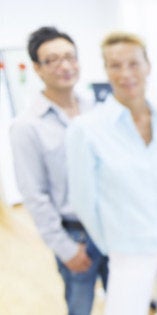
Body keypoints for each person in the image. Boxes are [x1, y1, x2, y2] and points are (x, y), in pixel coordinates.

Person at [65, 31, 157, 315]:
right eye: (115, 65)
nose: (125, 73)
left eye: (133, 63)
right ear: (106, 70)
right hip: (128, 249)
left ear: (147, 66)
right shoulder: (87, 130)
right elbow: (82, 200)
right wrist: (112, 242)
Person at [9, 26, 108, 315]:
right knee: (80, 308)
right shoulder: (27, 126)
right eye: (52, 60)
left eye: (70, 57)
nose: (64, 66)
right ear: (37, 69)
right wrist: (65, 248)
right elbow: (34, 194)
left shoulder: (97, 110)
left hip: (112, 228)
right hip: (75, 236)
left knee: (123, 303)